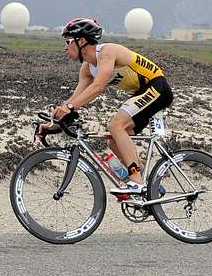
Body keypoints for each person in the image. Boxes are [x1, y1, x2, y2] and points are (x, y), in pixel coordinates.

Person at [39, 17, 173, 196]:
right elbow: (76, 99)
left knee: (116, 125)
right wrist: (53, 122)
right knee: (113, 140)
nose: (65, 47)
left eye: (68, 41)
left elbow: (98, 87)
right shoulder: (87, 69)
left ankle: (136, 182)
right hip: (142, 93)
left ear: (82, 41)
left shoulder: (107, 52)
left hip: (157, 86)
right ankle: (149, 183)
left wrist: (69, 107)